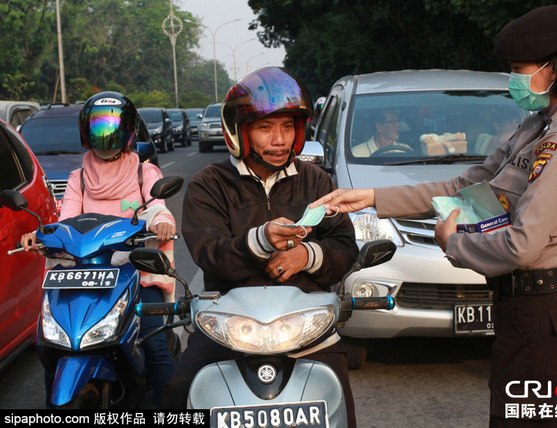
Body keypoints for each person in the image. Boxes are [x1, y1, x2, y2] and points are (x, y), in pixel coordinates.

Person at [313, 5, 557, 427]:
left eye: (520, 69)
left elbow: (523, 244)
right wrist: (372, 196)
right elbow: (461, 188)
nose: (516, 80)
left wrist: (453, 243)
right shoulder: (535, 127)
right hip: (524, 307)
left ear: (553, 69)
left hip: (545, 311)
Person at [163, 67, 359, 426]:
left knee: (340, 401)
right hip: (228, 329)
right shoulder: (210, 183)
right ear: (240, 131)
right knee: (178, 390)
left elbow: (345, 246)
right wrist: (262, 239)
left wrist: (306, 256)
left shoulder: (315, 179)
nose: (279, 140)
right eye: (266, 127)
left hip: (307, 330)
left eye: (287, 127)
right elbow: (209, 252)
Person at [21, 91, 176, 408]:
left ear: (128, 131)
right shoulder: (78, 178)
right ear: (85, 132)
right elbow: (66, 222)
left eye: (113, 128)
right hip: (85, 274)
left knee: (156, 344)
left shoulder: (143, 172)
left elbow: (158, 205)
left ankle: (170, 408)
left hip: (134, 271)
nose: (105, 136)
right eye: (97, 128)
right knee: (55, 341)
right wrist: (40, 237)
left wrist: (161, 221)